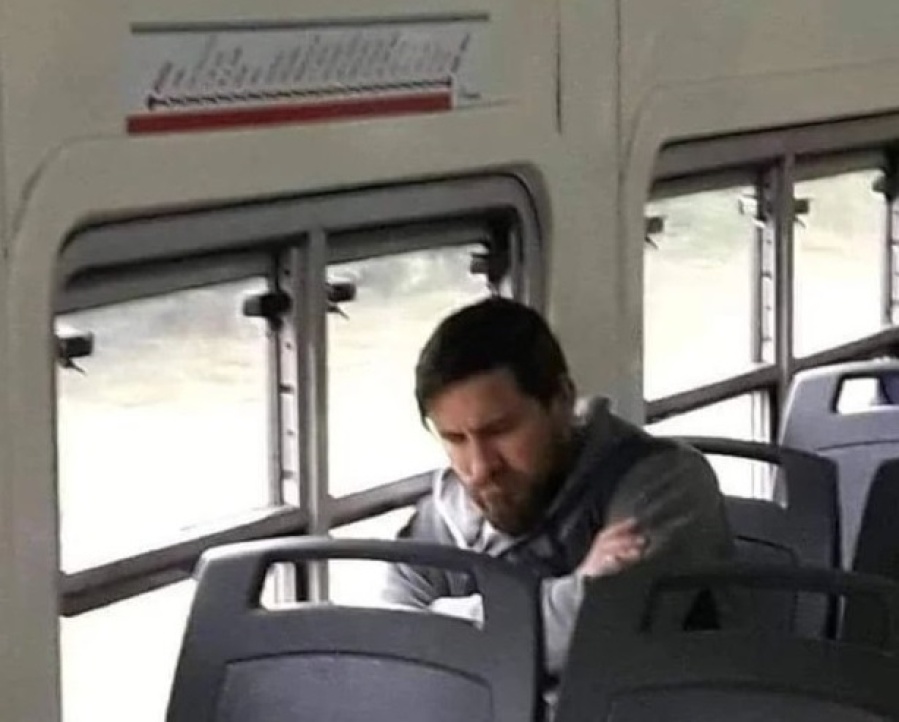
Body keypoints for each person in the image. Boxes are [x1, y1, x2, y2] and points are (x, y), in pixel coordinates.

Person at [383, 297, 735, 675]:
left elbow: (597, 630)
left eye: (501, 431)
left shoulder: (665, 484)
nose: (481, 468)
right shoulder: (440, 519)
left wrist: (440, 618)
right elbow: (395, 643)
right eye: (455, 439)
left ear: (562, 401)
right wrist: (569, 591)